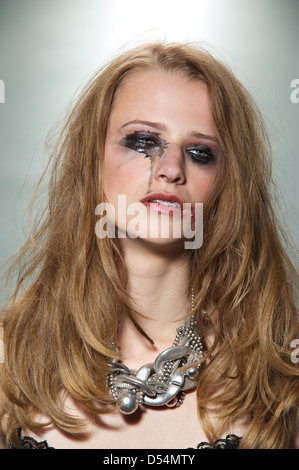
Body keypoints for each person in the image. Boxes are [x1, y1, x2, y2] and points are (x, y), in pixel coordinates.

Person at [0, 42, 298, 450]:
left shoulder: (282, 371)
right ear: (93, 158)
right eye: (143, 142)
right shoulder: (8, 355)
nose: (171, 169)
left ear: (228, 184)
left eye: (200, 152)